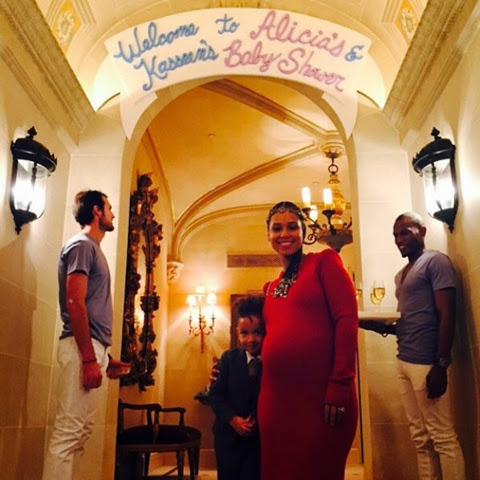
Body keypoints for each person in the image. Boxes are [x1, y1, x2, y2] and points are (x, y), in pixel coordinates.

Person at [360, 211, 465, 480]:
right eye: (396, 235)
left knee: (442, 435)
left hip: (427, 361)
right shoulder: (401, 275)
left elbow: (447, 314)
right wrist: (373, 324)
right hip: (404, 359)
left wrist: (441, 364)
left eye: (405, 232)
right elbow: (408, 323)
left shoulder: (435, 262)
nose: (399, 239)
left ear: (423, 231)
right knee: (420, 437)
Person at [259, 201, 358, 480]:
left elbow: (346, 320)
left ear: (305, 232)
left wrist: (340, 383)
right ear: (268, 235)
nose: (284, 234)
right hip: (275, 404)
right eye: (277, 228)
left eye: (292, 227)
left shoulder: (323, 262)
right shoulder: (270, 288)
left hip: (321, 400)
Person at [42, 190, 130, 480]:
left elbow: (89, 305)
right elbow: (74, 301)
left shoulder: (92, 248)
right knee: (69, 431)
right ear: (96, 211)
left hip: (91, 348)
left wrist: (105, 357)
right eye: (109, 208)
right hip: (82, 350)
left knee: (81, 432)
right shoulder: (81, 245)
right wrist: (90, 358)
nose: (113, 214)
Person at [208, 295, 265, 480]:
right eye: (244, 333)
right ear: (237, 333)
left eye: (257, 332)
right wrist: (233, 419)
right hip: (227, 438)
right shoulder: (228, 359)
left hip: (257, 440)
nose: (251, 339)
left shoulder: (271, 362)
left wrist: (255, 416)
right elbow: (215, 396)